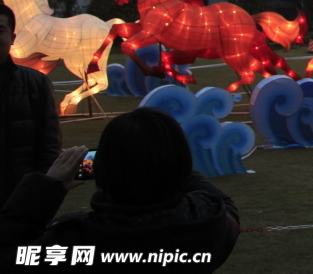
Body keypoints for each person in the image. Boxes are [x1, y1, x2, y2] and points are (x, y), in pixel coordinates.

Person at [1, 107, 239, 272]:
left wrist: (46, 188)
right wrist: (163, 158)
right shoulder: (207, 223)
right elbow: (227, 209)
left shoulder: (73, 241)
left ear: (104, 169)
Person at [0, 0, 61, 206]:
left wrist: (40, 192)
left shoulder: (36, 84)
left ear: (12, 37)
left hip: (21, 197)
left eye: (0, 30)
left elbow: (49, 147)